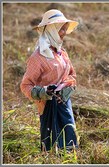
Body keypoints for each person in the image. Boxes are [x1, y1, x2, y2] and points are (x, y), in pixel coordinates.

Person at [20, 9, 79, 152]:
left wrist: (65, 90)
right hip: (47, 106)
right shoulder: (38, 57)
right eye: (60, 29)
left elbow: (72, 75)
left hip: (64, 102)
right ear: (51, 30)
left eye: (65, 29)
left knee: (69, 133)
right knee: (52, 140)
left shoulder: (62, 53)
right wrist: (44, 92)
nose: (64, 33)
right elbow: (25, 85)